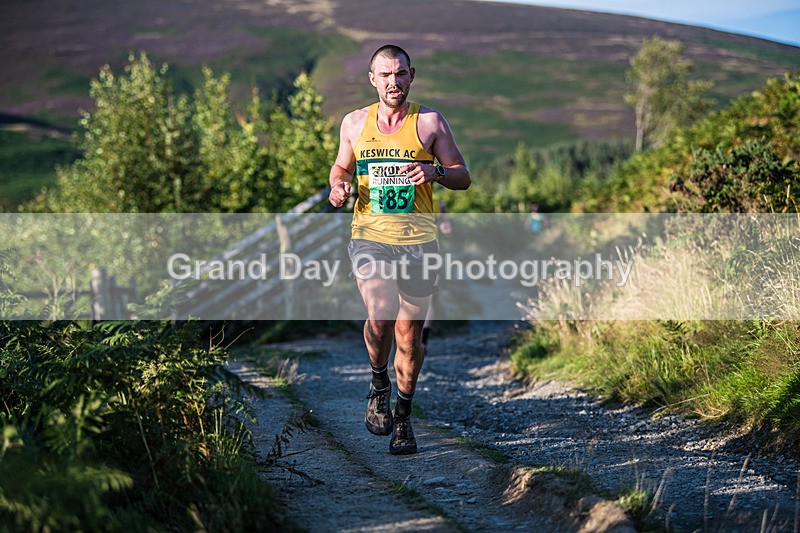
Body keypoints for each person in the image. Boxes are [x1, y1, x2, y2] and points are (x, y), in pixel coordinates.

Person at [328, 44, 471, 455]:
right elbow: (341, 166)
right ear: (373, 79)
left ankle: (404, 419)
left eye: (401, 74)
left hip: (419, 242)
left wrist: (435, 171)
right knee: (380, 314)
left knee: (409, 338)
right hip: (370, 235)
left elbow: (463, 176)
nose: (394, 82)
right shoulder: (355, 122)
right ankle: (378, 383)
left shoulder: (429, 122)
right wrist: (340, 185)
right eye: (385, 75)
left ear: (412, 75)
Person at [421, 200, 451, 353]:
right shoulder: (435, 203)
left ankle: (417, 340)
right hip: (430, 253)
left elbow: (446, 228)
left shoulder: (435, 204)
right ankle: (422, 340)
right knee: (429, 300)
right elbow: (447, 229)